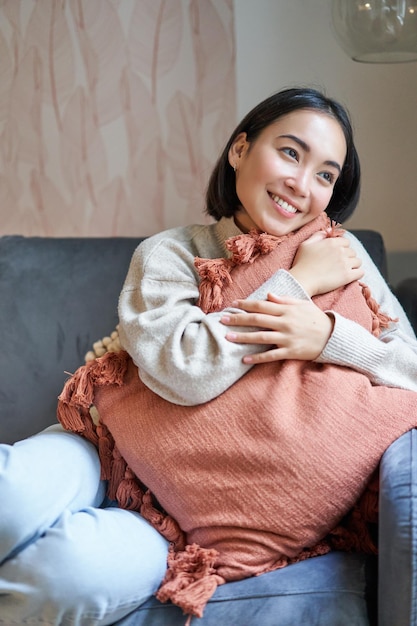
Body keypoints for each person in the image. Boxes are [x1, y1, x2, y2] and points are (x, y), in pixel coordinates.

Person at [1, 87, 416, 626]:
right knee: (11, 497)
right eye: (290, 152)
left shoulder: (344, 254)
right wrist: (299, 284)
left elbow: (409, 365)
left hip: (170, 519)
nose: (301, 183)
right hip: (102, 449)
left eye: (325, 174)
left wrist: (328, 336)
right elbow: (185, 369)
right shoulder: (172, 252)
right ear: (240, 149)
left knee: (69, 577)